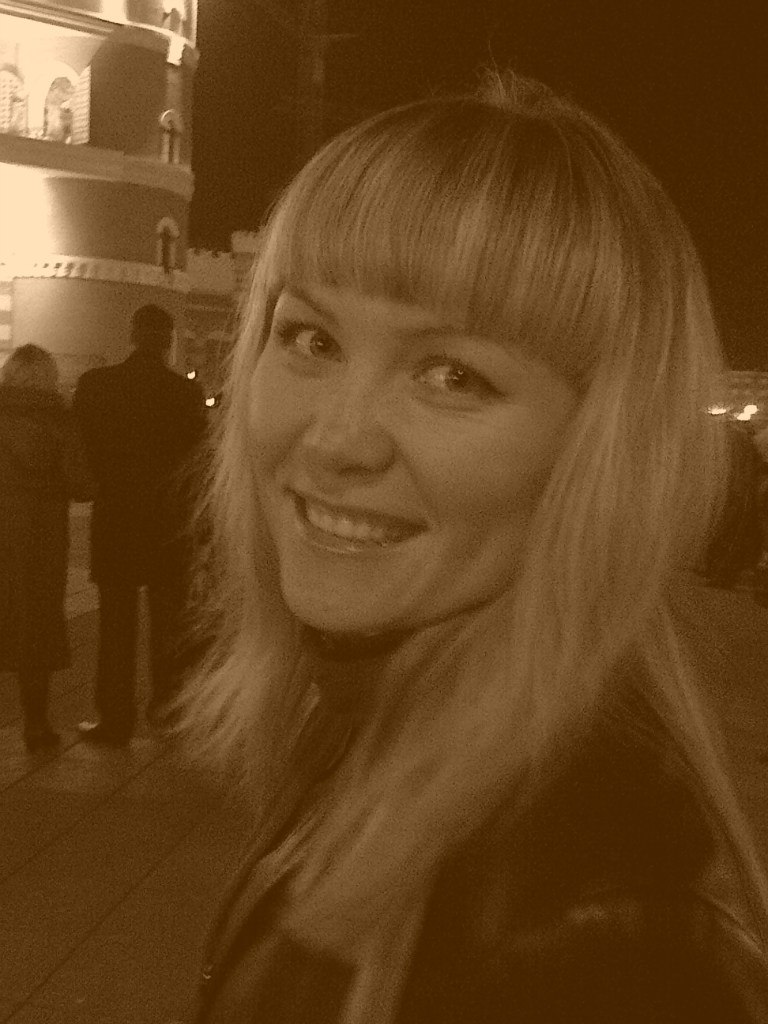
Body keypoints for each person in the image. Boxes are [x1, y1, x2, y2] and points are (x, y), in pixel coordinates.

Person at [183, 72, 768, 1022]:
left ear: (599, 451)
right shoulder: (383, 727)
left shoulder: (599, 940)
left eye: (453, 374)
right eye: (312, 339)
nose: (336, 441)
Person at [73, 304, 207, 747]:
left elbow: (82, 448)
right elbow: (198, 463)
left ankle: (115, 720)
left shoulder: (96, 386)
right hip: (168, 527)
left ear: (133, 334)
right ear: (167, 340)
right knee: (169, 625)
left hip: (116, 521)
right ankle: (167, 710)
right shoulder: (185, 394)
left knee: (115, 626)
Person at [0, 345, 94, 752]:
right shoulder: (60, 421)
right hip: (41, 540)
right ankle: (36, 725)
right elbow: (82, 484)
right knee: (35, 629)